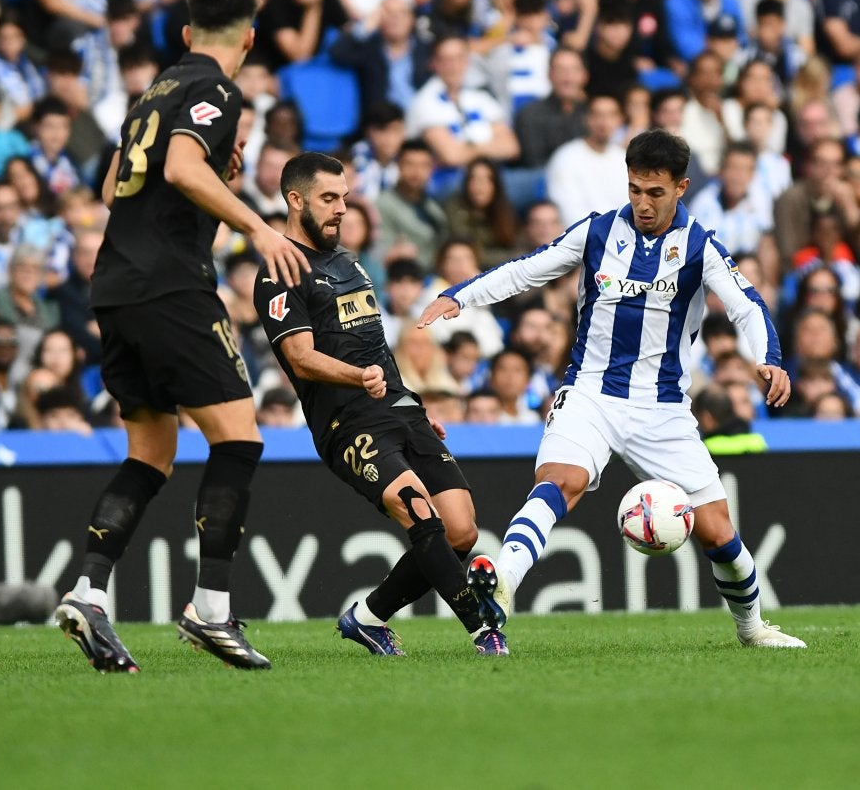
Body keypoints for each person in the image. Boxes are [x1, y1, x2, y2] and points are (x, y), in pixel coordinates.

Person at [419, 128, 807, 654]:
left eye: (656, 192)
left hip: (663, 409)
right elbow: (527, 270)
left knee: (718, 531)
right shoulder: (597, 232)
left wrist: (769, 358)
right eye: (635, 189)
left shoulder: (700, 246)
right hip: (590, 395)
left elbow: (746, 305)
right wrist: (459, 297)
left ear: (682, 188)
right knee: (561, 482)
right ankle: (502, 582)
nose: (643, 204)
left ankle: (752, 627)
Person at [55, 0, 308, 674]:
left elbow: (113, 187)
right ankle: (211, 609)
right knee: (239, 438)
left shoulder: (153, 92)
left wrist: (213, 176)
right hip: (170, 285)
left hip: (115, 286)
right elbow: (180, 167)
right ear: (249, 39)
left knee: (150, 452)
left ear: (189, 32)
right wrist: (258, 226)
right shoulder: (217, 90)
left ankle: (88, 593)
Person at [251, 151, 501, 656]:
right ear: (295, 200)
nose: (341, 208)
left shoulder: (350, 262)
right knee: (421, 514)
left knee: (461, 530)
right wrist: (358, 378)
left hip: (397, 405)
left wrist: (412, 402)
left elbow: (375, 347)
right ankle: (484, 629)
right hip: (346, 421)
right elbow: (299, 357)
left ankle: (366, 618)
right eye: (328, 198)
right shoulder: (280, 272)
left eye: (344, 197)